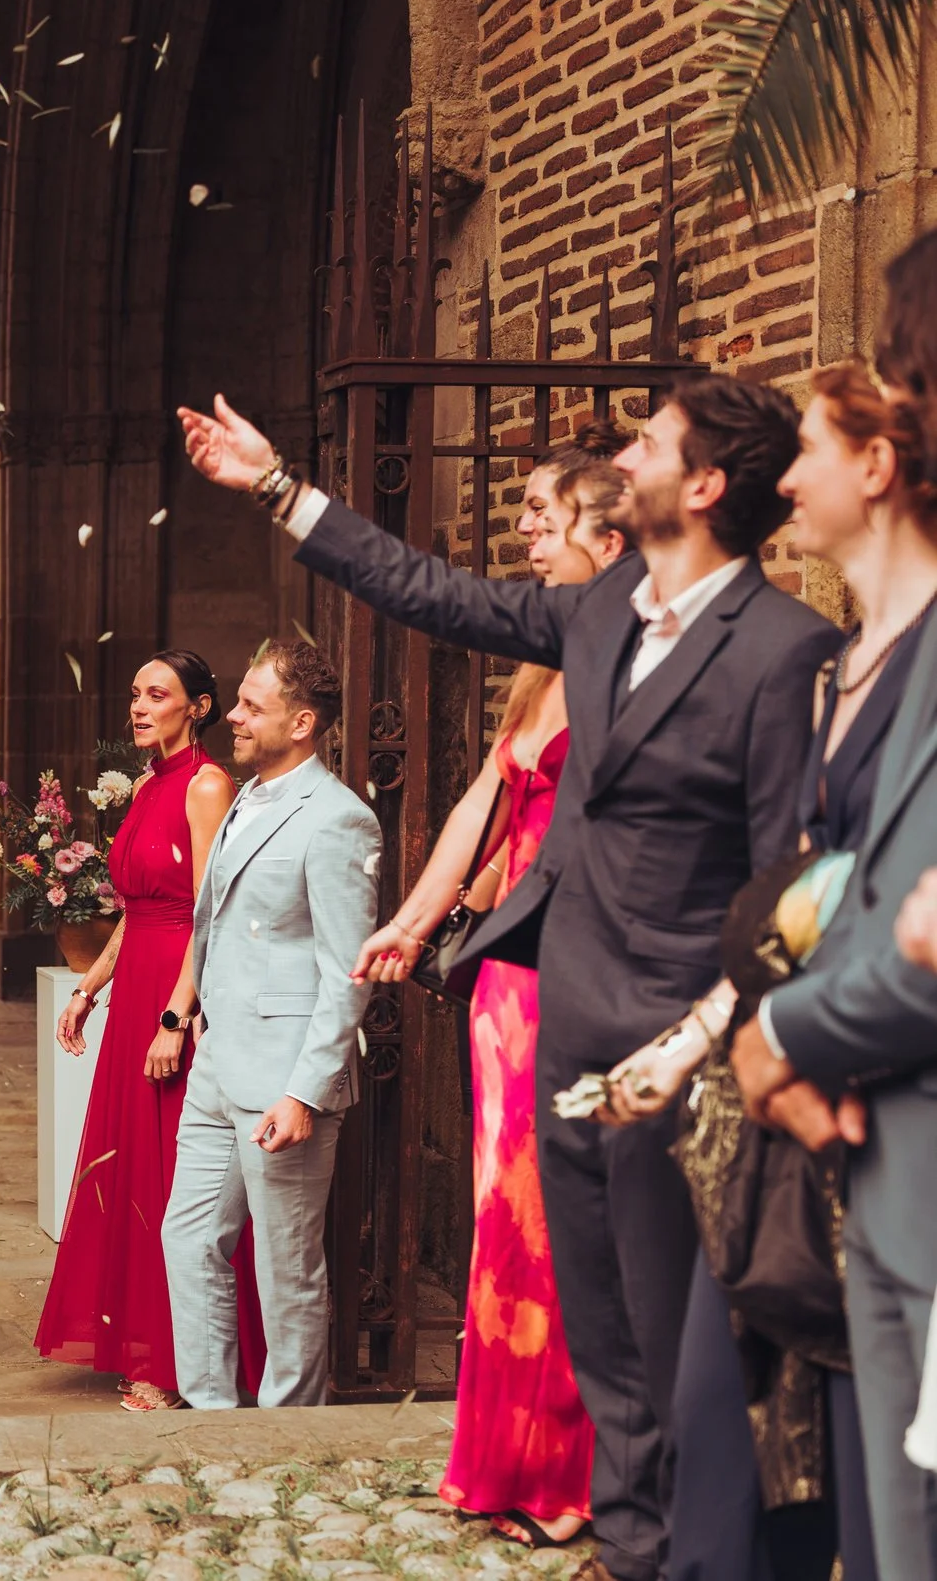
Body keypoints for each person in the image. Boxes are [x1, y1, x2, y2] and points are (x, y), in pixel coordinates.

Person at [181, 378, 841, 1581]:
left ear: (699, 487)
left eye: (651, 442)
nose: (623, 454)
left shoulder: (788, 650)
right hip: (569, 1017)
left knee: (668, 1319)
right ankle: (628, 1545)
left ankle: (691, 1552)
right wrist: (278, 488)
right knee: (599, 1325)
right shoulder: (597, 616)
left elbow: (789, 880)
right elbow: (428, 588)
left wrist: (704, 1036)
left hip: (678, 1054)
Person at [705, 237, 937, 1581]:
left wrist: (784, 1031)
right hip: (884, 1168)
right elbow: (857, 897)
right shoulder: (856, 666)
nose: (786, 477)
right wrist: (773, 1026)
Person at [352, 432, 630, 1546]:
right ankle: (504, 1462)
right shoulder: (542, 662)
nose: (519, 528)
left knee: (549, 1223)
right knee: (500, 1221)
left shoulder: (627, 656)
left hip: (575, 965)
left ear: (604, 534)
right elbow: (481, 800)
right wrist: (413, 920)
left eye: (537, 511)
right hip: (503, 979)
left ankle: (571, 1477)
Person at [37, 649, 267, 1413]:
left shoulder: (208, 786)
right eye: (136, 693)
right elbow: (134, 911)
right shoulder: (144, 785)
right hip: (136, 985)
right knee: (131, 1169)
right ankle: (140, 1335)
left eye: (157, 694)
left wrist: (178, 1015)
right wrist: (88, 988)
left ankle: (177, 1362)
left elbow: (210, 912)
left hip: (178, 991)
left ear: (197, 707)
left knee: (178, 1180)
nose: (138, 705)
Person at [160, 637, 379, 1408]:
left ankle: (291, 1434)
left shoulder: (339, 819)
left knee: (286, 1267)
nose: (237, 717)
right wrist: (187, 1017)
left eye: (255, 706)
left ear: (305, 721)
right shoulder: (243, 797)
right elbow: (210, 920)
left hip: (286, 1078)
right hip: (219, 1063)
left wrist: (306, 1092)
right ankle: (214, 1421)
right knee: (187, 1239)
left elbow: (345, 972)